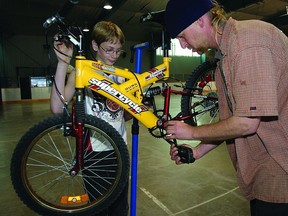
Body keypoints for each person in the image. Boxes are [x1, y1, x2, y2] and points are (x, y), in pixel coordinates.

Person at [164, 0, 288, 215]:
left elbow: (246, 124)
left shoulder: (248, 43)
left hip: (280, 167)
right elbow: (231, 119)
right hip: (265, 167)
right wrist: (197, 151)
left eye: (182, 36)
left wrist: (191, 131)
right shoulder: (226, 54)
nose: (183, 45)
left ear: (200, 20)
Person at [51, 21, 131, 216]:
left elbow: (124, 116)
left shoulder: (123, 76)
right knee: (99, 208)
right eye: (109, 49)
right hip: (94, 153)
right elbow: (56, 107)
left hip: (120, 151)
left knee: (121, 208)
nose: (114, 56)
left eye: (118, 51)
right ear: (95, 46)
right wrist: (63, 63)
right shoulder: (83, 74)